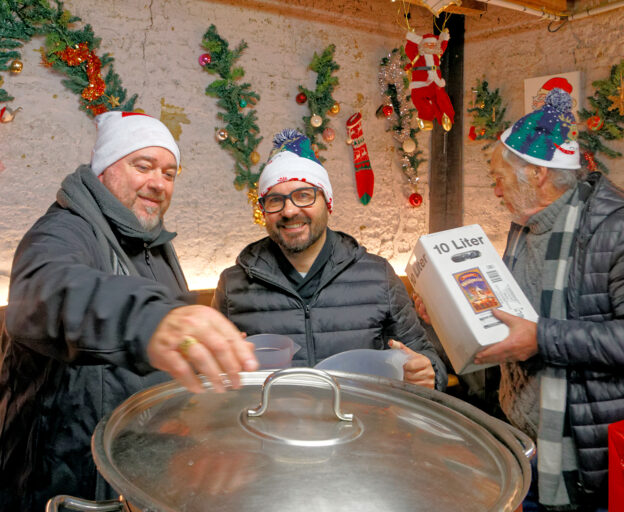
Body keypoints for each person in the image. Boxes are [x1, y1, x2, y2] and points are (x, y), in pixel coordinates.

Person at [0, 111, 258, 511]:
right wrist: (153, 321)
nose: (158, 183)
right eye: (143, 166)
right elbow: (46, 292)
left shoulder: (154, 243)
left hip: (134, 473)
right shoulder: (64, 229)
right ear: (103, 171)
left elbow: (150, 356)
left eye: (169, 173)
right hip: (63, 483)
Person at [416, 88, 623, 510]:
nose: (495, 191)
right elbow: (510, 316)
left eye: (499, 178)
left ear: (536, 174)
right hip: (520, 443)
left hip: (588, 462)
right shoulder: (524, 226)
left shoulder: (615, 229)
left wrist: (542, 339)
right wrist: (445, 312)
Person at [212, 128, 446, 390]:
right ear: (264, 211)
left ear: (327, 201)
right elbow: (211, 371)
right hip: (270, 426)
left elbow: (427, 360)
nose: (289, 211)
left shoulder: (377, 276)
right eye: (275, 200)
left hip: (361, 425)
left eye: (304, 195)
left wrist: (429, 373)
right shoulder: (233, 286)